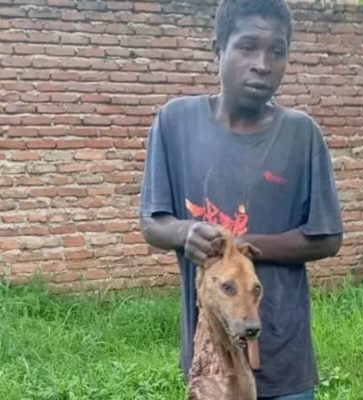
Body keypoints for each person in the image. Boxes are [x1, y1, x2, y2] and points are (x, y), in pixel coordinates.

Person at [138, 0, 344, 398]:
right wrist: (187, 232)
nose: (262, 65)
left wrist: (240, 247)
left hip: (284, 356)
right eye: (247, 47)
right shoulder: (176, 123)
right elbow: (152, 221)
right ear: (218, 49)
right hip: (211, 356)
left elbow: (327, 238)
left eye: (277, 51)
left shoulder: (300, 135)